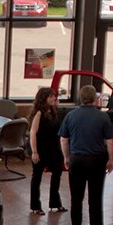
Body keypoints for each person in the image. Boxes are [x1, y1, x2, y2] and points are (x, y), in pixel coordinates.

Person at [58, 84, 113, 225]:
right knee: (95, 197)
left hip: (77, 159)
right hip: (96, 160)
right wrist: (111, 159)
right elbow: (110, 141)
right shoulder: (103, 117)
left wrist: (67, 157)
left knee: (76, 198)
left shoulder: (70, 115)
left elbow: (64, 139)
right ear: (95, 99)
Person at [27, 87, 65, 215]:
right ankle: (35, 206)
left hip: (52, 147)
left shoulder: (53, 111)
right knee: (37, 176)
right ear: (44, 99)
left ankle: (55, 202)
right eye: (51, 97)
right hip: (40, 147)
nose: (54, 98)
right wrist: (34, 152)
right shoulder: (39, 113)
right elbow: (33, 133)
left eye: (54, 96)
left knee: (57, 172)